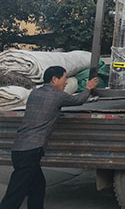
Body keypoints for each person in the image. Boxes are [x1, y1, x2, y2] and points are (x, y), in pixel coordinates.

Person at [0, 66, 98, 209]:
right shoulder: (58, 95)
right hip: (31, 151)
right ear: (54, 79)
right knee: (15, 193)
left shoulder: (35, 93)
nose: (66, 82)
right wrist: (88, 88)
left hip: (20, 149)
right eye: (64, 78)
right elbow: (79, 100)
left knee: (38, 186)